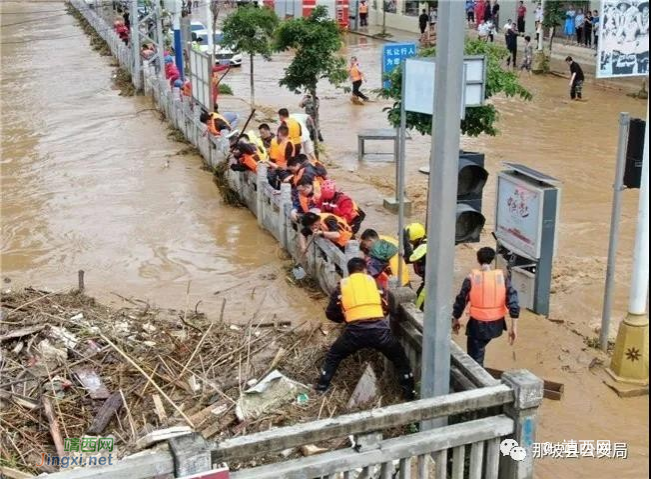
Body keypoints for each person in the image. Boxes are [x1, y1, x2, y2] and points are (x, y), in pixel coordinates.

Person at [315, 258, 416, 400]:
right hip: (380, 332)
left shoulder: (342, 286)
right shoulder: (375, 283)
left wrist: (347, 318)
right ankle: (409, 395)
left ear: (349, 272)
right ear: (364, 270)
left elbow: (331, 313)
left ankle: (321, 389)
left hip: (354, 333)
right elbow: (385, 307)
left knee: (333, 356)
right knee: (400, 360)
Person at [452, 247, 520, 367]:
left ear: (478, 260)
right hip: (497, 325)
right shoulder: (502, 278)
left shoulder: (470, 279)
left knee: (475, 359)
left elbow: (461, 300)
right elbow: (513, 301)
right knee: (479, 351)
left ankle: (478, 380)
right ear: (492, 260)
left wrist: (456, 318)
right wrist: (513, 327)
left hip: (478, 326)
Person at [402, 223, 427, 311]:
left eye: (411, 241)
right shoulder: (420, 244)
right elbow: (407, 259)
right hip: (427, 281)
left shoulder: (425, 246)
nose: (410, 243)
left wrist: (405, 241)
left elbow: (411, 258)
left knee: (417, 308)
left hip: (430, 284)